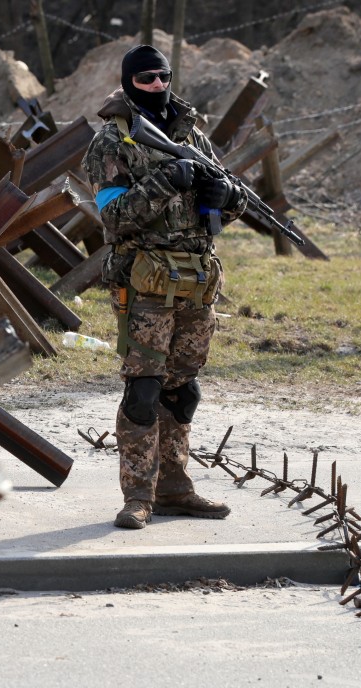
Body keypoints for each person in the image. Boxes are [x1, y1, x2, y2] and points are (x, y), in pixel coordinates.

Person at [80, 44, 248, 530]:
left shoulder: (190, 132)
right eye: (146, 78)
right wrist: (165, 182)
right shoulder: (112, 143)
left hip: (196, 281)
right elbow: (113, 216)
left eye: (163, 77)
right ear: (129, 81)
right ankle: (138, 495)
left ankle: (175, 488)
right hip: (144, 280)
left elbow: (218, 214)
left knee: (183, 391)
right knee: (144, 390)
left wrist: (227, 198)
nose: (157, 85)